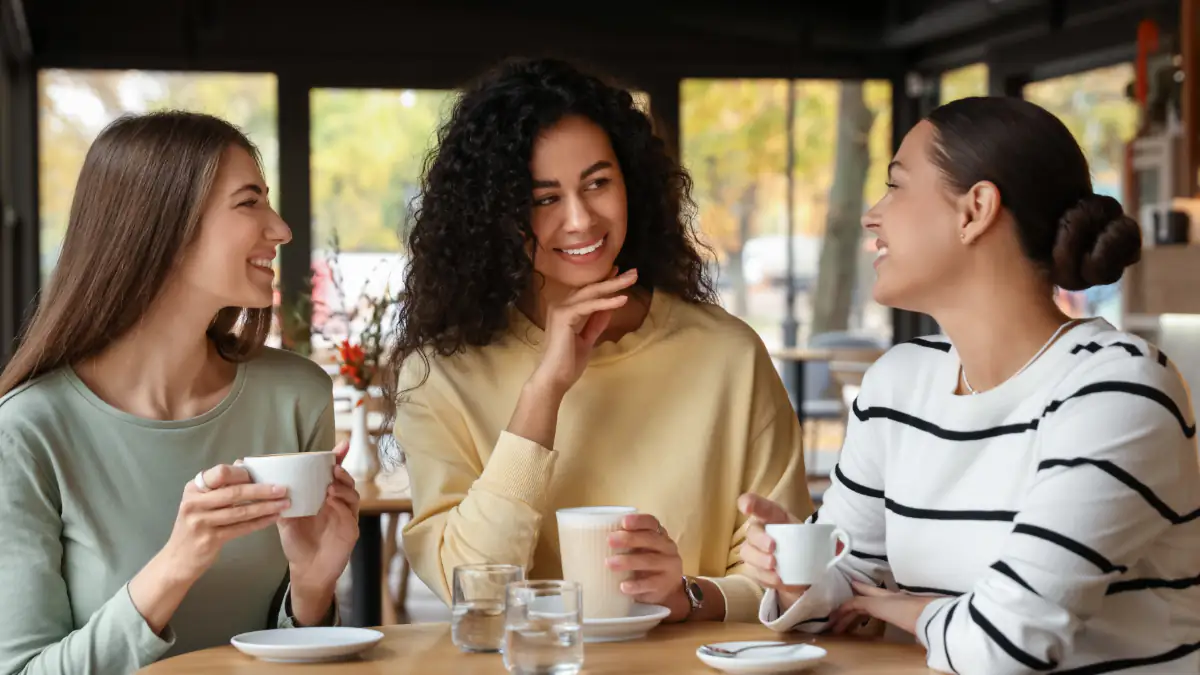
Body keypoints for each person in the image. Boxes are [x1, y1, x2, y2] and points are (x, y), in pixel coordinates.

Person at [737, 96, 1200, 674]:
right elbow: (846, 592)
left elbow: (1007, 647)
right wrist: (798, 574)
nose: (871, 215)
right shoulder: (896, 386)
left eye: (897, 186)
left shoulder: (1118, 392)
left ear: (974, 209)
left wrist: (904, 609)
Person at [390, 57, 812, 624]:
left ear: (630, 183)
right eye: (544, 199)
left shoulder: (729, 355)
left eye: (598, 183)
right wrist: (544, 391)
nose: (581, 219)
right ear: (492, 216)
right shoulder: (440, 375)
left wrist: (685, 595)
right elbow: (476, 597)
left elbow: (786, 579)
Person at [0, 111, 360, 674]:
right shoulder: (27, 432)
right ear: (161, 227)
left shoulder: (296, 396)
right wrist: (177, 563)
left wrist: (313, 592)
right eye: (249, 203)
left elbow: (296, 655)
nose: (281, 229)